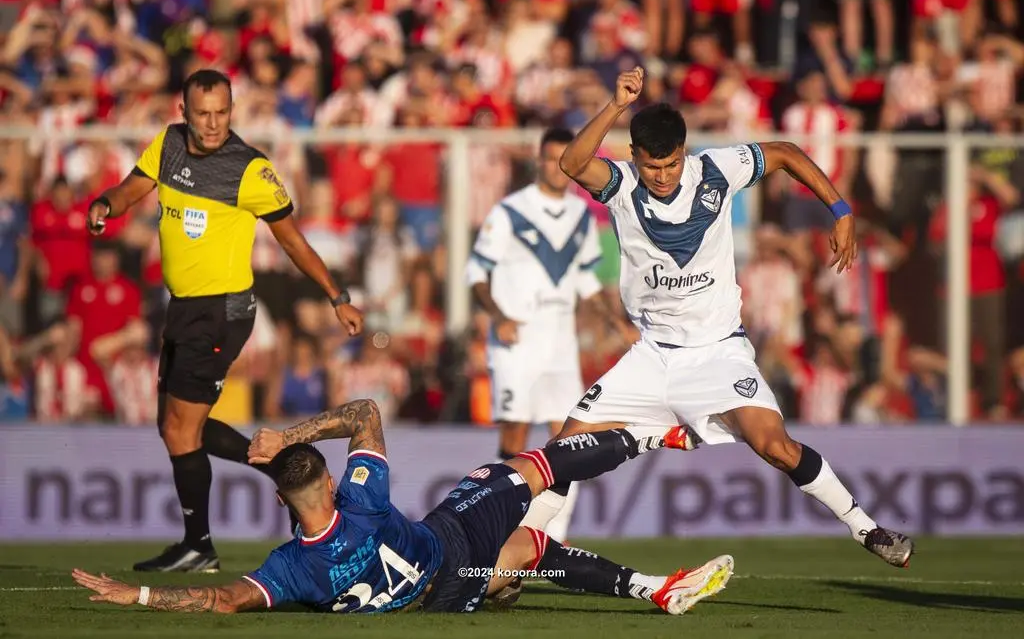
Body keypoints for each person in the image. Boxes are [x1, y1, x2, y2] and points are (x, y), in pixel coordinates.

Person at [523, 66, 914, 569]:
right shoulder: (620, 184)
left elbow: (787, 154)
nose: (662, 177)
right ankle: (524, 558)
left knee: (776, 446)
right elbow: (573, 162)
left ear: (684, 152)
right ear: (635, 157)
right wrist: (617, 105)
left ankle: (867, 529)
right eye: (651, 167)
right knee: (562, 452)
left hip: (718, 353)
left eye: (670, 164)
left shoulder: (716, 170)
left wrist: (840, 210)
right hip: (652, 356)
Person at [71, 398, 733, 615]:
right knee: (529, 468)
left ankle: (656, 589)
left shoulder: (286, 572)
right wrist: (293, 434)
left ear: (280, 499)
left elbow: (218, 599)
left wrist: (135, 595)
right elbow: (365, 412)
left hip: (446, 593)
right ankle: (660, 435)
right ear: (329, 484)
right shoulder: (359, 499)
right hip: (451, 541)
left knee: (527, 556)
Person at [85, 69, 365, 573]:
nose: (213, 125)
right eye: (202, 114)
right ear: (182, 110)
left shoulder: (250, 170)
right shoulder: (168, 145)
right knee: (172, 426)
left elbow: (293, 241)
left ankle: (201, 544)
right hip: (184, 307)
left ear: (232, 110)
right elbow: (132, 188)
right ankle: (280, 467)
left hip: (221, 313)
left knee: (180, 428)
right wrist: (107, 203)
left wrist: (336, 296)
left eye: (222, 113)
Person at [466, 127, 630, 544]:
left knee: (569, 436)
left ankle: (553, 534)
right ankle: (503, 527)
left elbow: (586, 282)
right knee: (515, 435)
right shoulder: (510, 211)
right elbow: (477, 273)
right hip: (517, 338)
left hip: (560, 341)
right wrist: (498, 315)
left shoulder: (580, 215)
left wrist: (616, 323)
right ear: (539, 161)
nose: (559, 169)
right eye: (552, 159)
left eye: (565, 160)